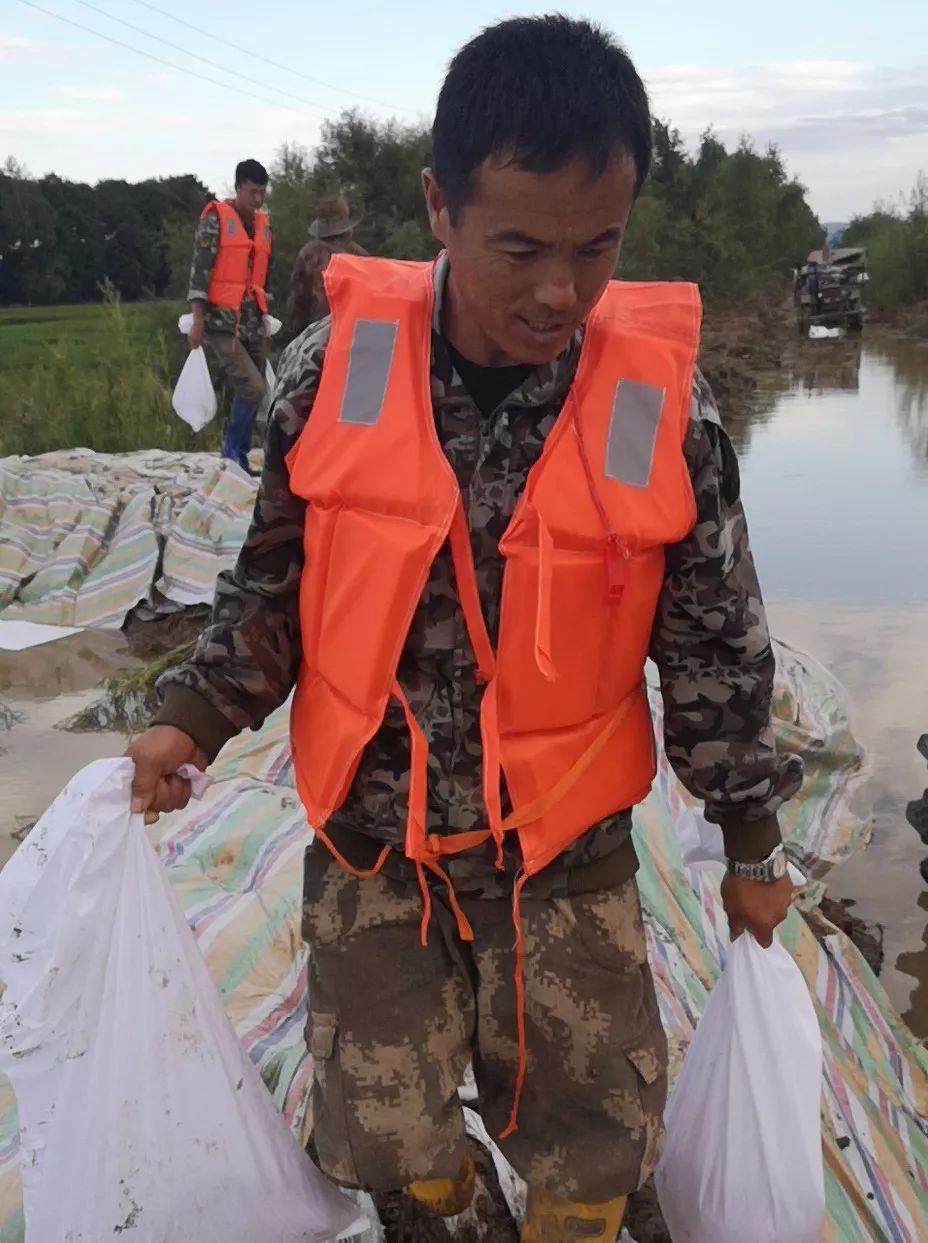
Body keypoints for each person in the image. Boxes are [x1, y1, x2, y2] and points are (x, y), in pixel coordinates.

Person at [129, 17, 802, 1242]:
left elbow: (715, 649)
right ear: (439, 208)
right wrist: (191, 718)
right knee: (388, 1130)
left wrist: (751, 842)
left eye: (597, 247)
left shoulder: (665, 410)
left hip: (566, 852)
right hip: (374, 842)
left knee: (595, 1145)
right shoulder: (328, 375)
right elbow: (269, 590)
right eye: (522, 248)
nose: (561, 290)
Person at [187, 158, 272, 473]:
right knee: (253, 388)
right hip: (223, 323)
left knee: (252, 388)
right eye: (253, 192)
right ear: (238, 189)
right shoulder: (216, 220)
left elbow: (258, 276)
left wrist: (265, 315)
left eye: (263, 192)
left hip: (252, 322)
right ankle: (231, 451)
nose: (258, 199)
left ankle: (240, 455)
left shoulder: (261, 224)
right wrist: (197, 322)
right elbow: (199, 274)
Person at [286, 195, 368, 335]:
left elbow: (298, 302)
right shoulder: (359, 256)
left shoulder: (307, 254)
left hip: (315, 334)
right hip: (351, 332)